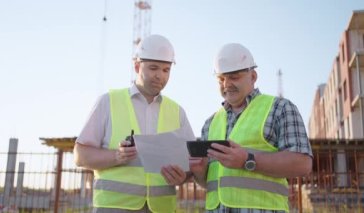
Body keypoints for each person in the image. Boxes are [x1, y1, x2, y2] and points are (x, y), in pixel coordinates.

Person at [74, 34, 195, 213]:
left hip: (161, 209)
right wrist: (117, 156)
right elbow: (80, 155)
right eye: (153, 68)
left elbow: (192, 164)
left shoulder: (177, 112)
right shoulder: (108, 102)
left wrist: (183, 177)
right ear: (137, 66)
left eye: (166, 70)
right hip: (114, 207)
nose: (160, 76)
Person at [190, 43, 313, 213]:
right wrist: (199, 172)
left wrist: (247, 160)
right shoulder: (210, 123)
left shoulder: (280, 108)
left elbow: (303, 163)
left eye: (233, 77)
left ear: (253, 76)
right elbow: (210, 183)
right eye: (221, 79)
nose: (226, 84)